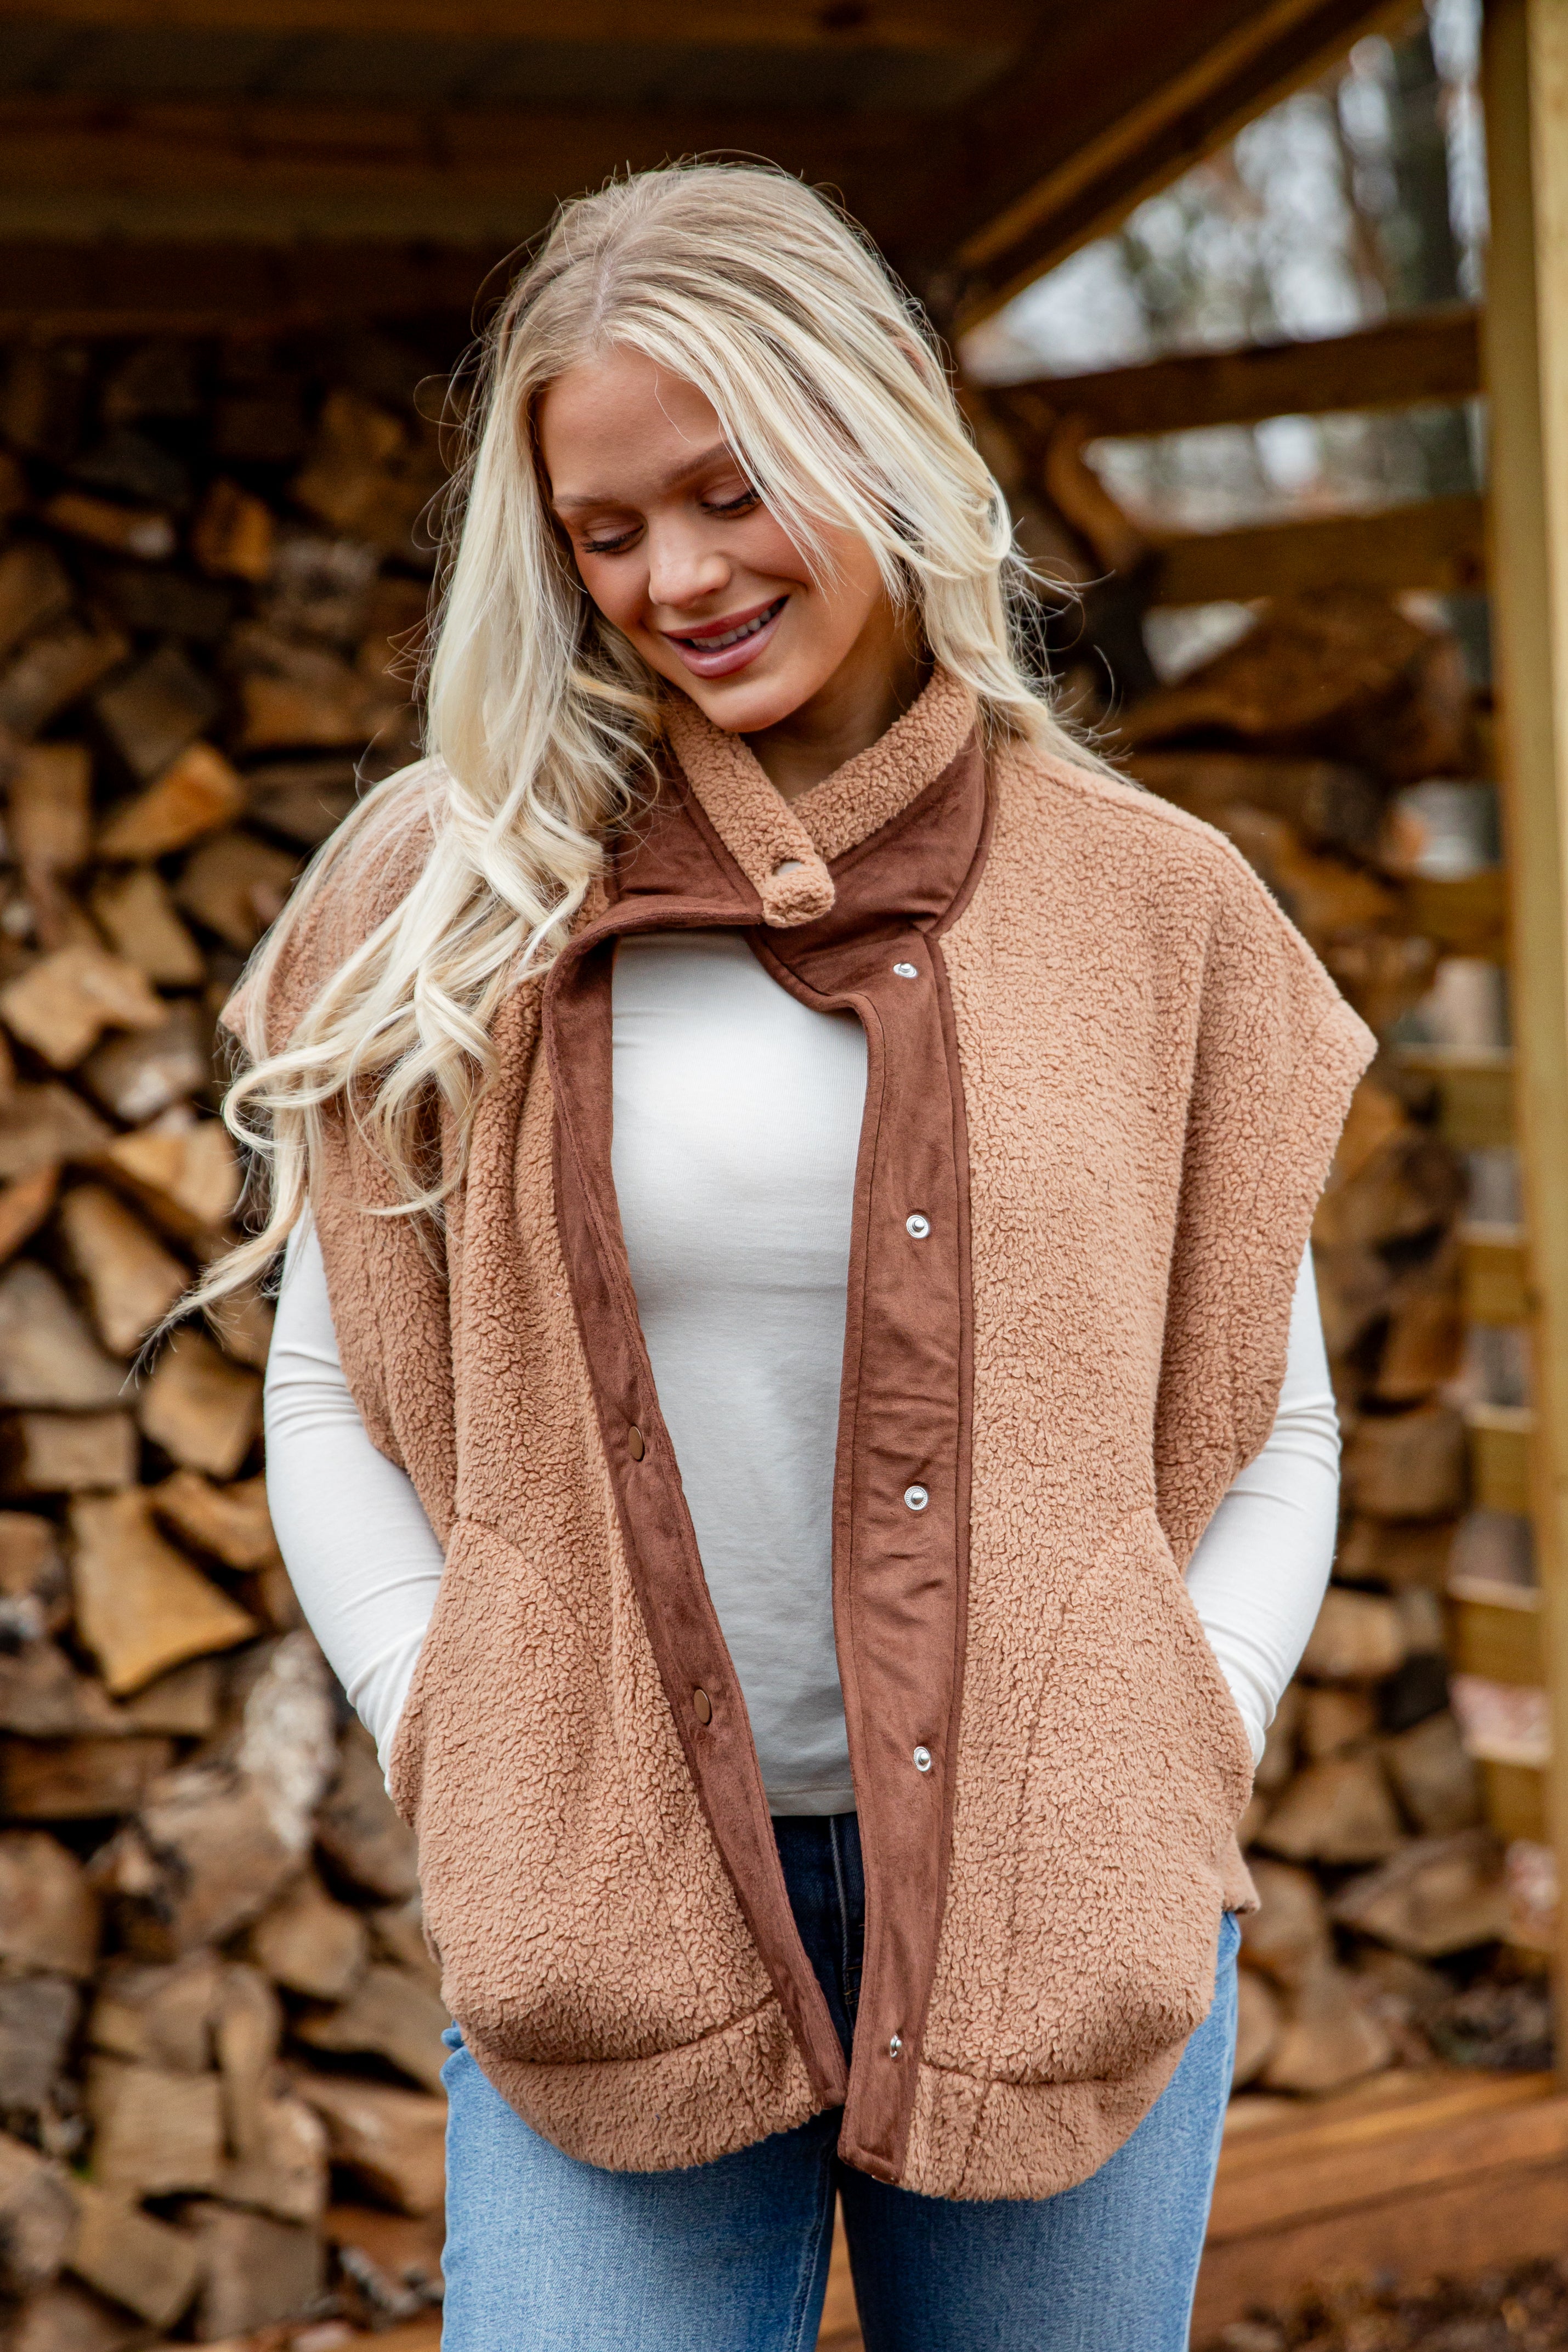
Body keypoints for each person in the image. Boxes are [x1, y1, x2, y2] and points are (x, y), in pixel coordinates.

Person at [210, 163, 1374, 2351]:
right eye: (604, 530)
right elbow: (333, 1391)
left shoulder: (1153, 913)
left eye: (728, 492)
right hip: (612, 1905)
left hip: (1054, 1909)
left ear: (876, 428)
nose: (676, 578)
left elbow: (1272, 1424)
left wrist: (1170, 1737)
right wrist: (451, 1720)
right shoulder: (451, 892)